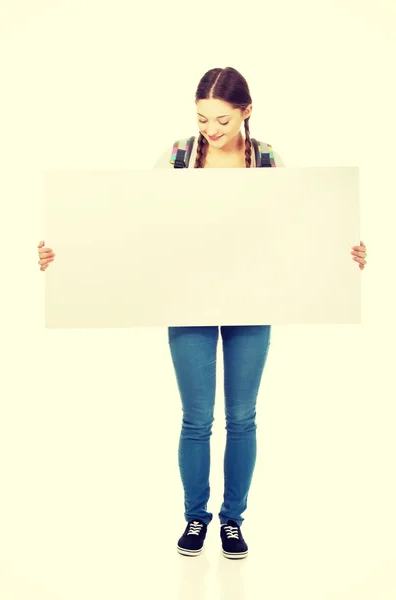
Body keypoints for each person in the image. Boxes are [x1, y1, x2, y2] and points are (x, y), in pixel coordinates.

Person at [37, 67, 368, 560]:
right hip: (186, 297)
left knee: (242, 417)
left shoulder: (268, 158)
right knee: (196, 419)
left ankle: (232, 521)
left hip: (254, 298)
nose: (210, 129)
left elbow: (297, 227)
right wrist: (67, 254)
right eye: (202, 119)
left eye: (222, 119)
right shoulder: (177, 156)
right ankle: (196, 516)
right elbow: (132, 221)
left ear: (246, 111)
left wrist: (345, 253)